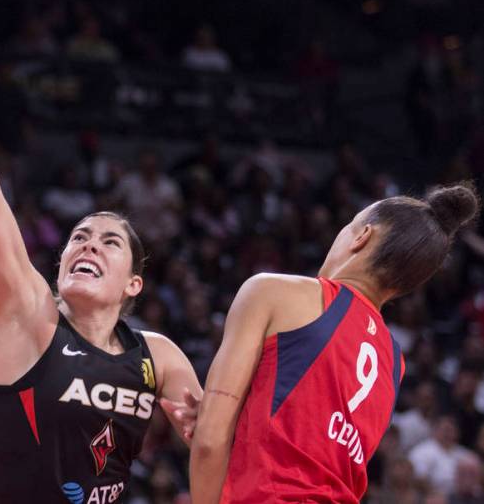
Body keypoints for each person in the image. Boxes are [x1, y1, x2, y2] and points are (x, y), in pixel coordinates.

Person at [0, 0, 203, 503]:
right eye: (79, 237)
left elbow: (209, 443)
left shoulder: (159, 355)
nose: (88, 244)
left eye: (109, 242)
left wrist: (205, 426)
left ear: (134, 283)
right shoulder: (29, 315)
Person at [189, 184, 480, 503]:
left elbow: (209, 441)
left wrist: (210, 421)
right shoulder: (395, 362)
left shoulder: (272, 291)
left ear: (361, 236)